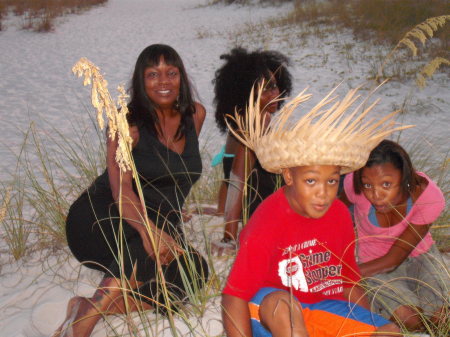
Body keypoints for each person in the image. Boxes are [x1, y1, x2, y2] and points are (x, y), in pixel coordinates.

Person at [221, 86, 410, 337]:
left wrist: (369, 322)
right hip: (270, 312)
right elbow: (233, 295)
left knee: (390, 331)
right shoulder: (269, 219)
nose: (323, 193)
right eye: (311, 181)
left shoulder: (340, 214)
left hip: (322, 309)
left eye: (331, 181)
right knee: (283, 308)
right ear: (289, 175)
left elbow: (349, 283)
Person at [53, 44, 209, 337]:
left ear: (181, 77)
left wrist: (169, 221)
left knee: (194, 272)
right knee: (141, 247)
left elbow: (178, 172)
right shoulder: (125, 123)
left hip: (157, 219)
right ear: (141, 80)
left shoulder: (196, 114)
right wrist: (149, 230)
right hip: (101, 217)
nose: (163, 81)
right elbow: (120, 189)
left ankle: (83, 306)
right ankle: (86, 321)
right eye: (153, 74)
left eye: (171, 73)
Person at [342, 139, 448, 331]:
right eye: (368, 185)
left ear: (404, 177)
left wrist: (344, 275)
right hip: (373, 263)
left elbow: (394, 259)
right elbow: (336, 211)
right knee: (411, 319)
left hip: (420, 256)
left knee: (442, 317)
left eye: (386, 184)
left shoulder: (426, 196)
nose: (376, 195)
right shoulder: (353, 184)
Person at [210, 47, 293, 251]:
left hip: (265, 208)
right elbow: (237, 183)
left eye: (276, 86)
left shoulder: (247, 122)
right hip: (265, 215)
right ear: (246, 92)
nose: (275, 93)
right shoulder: (250, 133)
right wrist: (229, 237)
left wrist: (219, 210)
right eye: (267, 88)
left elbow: (228, 176)